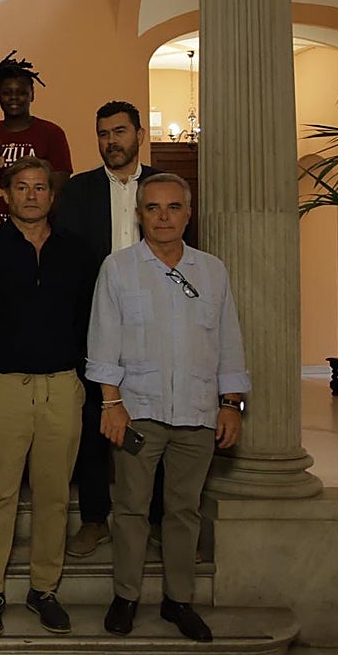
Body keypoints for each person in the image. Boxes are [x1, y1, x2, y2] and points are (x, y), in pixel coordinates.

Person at [88, 173, 249, 642]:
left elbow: (229, 343)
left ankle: (179, 601)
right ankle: (126, 596)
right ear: (139, 214)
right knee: (133, 508)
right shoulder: (118, 269)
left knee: (184, 511)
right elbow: (103, 343)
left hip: (198, 413)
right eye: (153, 208)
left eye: (173, 207)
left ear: (188, 213)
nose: (163, 216)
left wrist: (232, 403)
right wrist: (111, 404)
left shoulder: (212, 271)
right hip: (137, 411)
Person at [0, 156, 98, 637]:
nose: (31, 195)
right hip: (1, 385)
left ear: (52, 195)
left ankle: (44, 589)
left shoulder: (78, 253)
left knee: (54, 497)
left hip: (62, 387)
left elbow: (92, 321)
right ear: (6, 194)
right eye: (21, 187)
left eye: (40, 188)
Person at [55, 100, 161, 559]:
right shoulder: (78, 191)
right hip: (94, 323)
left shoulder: (161, 188)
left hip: (154, 325)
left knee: (153, 423)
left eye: (120, 132)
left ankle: (154, 520)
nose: (111, 141)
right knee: (96, 420)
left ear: (139, 134)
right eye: (103, 133)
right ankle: (95, 519)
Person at [0, 52, 73, 189]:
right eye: (7, 93)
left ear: (32, 95)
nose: (14, 98)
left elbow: (58, 187)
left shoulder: (52, 133)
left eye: (21, 93)